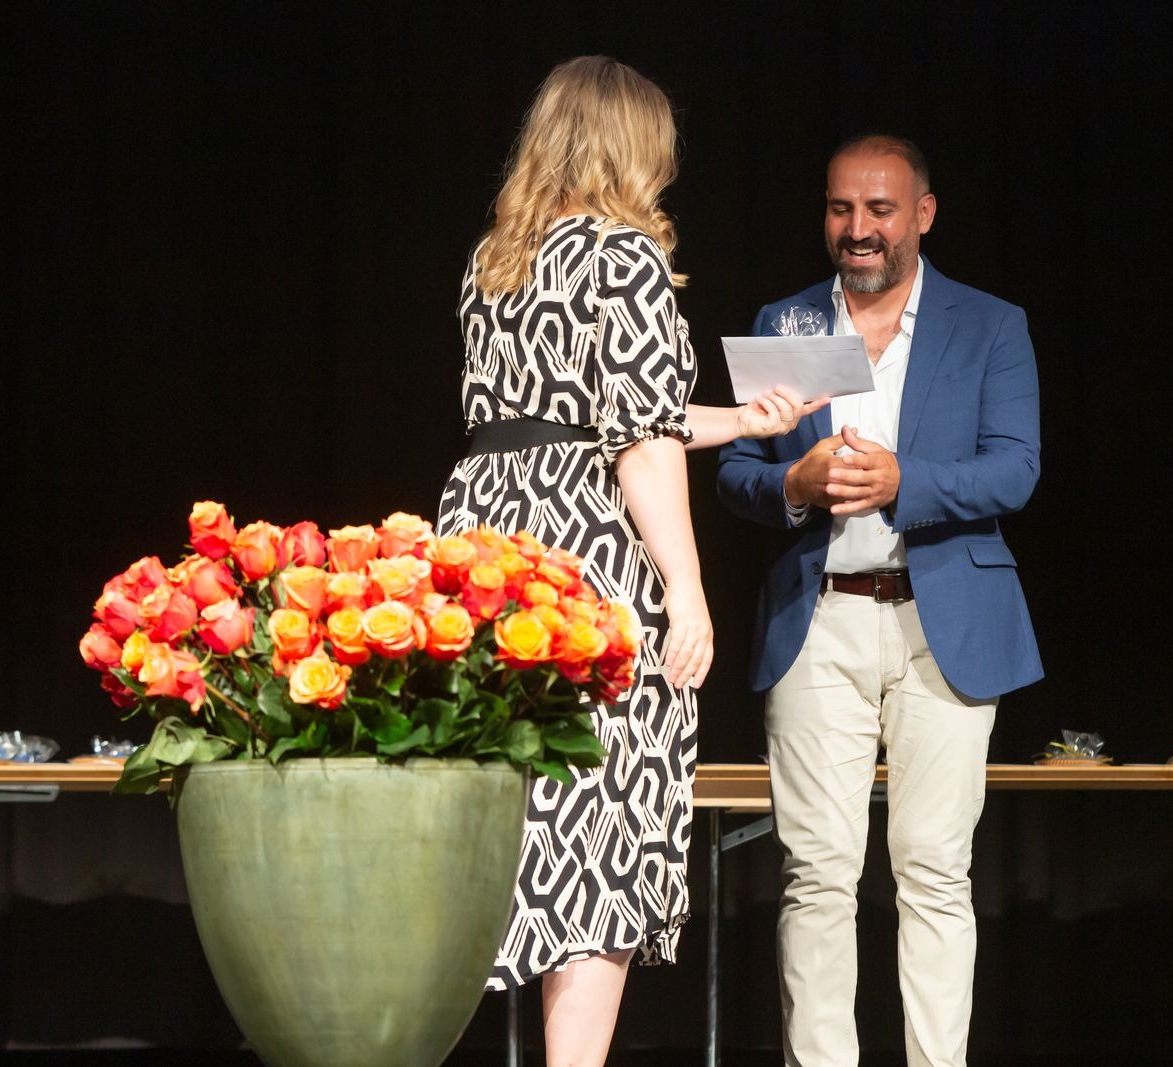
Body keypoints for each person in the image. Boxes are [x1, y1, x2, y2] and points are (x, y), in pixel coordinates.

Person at [438, 56, 822, 1067]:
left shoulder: (496, 259)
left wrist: (740, 420)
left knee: (510, 808)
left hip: (486, 538)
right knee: (595, 823)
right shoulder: (624, 257)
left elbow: (592, 410)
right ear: (632, 145)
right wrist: (687, 591)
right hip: (582, 555)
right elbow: (638, 443)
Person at [716, 134, 1043, 1067]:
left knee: (933, 870)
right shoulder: (787, 324)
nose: (857, 229)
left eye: (879, 210)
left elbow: (1016, 468)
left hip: (943, 623)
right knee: (817, 873)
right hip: (818, 621)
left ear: (923, 215)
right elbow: (737, 469)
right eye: (840, 209)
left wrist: (905, 480)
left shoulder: (988, 325)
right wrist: (794, 485)